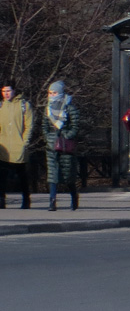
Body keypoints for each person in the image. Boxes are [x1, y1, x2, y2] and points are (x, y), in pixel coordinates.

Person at [42, 80, 80, 212]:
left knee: (67, 175)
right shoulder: (48, 109)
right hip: (52, 145)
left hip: (65, 147)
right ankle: (52, 201)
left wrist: (67, 136)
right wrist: (48, 137)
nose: (52, 95)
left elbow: (75, 126)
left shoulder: (69, 108)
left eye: (55, 93)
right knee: (52, 175)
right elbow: (44, 126)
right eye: (50, 93)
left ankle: (74, 197)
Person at [0, 81, 34, 209]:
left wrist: (24, 142)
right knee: (1, 175)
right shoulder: (1, 106)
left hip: (18, 146)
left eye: (8, 91)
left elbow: (29, 125)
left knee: (22, 175)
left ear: (14, 91)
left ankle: (26, 199)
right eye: (3, 91)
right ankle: (1, 199)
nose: (6, 94)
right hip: (3, 147)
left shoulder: (24, 105)